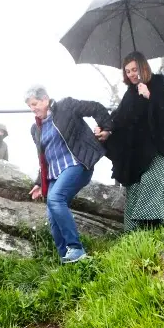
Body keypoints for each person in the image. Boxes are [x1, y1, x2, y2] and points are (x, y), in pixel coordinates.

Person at [25, 84, 113, 263]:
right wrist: (39, 182)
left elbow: (95, 107)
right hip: (54, 175)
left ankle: (76, 248)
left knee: (55, 199)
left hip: (76, 164)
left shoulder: (66, 106)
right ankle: (67, 258)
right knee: (52, 214)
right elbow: (43, 158)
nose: (32, 109)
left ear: (45, 99)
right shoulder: (36, 129)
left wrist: (106, 128)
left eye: (35, 104)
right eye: (30, 106)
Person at [104, 52, 164, 231]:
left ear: (143, 67)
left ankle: (152, 227)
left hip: (160, 147)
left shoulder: (159, 83)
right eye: (127, 71)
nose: (131, 74)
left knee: (154, 181)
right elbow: (119, 118)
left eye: (134, 69)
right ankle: (135, 233)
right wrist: (106, 129)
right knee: (135, 187)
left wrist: (151, 96)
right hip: (138, 152)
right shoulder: (130, 93)